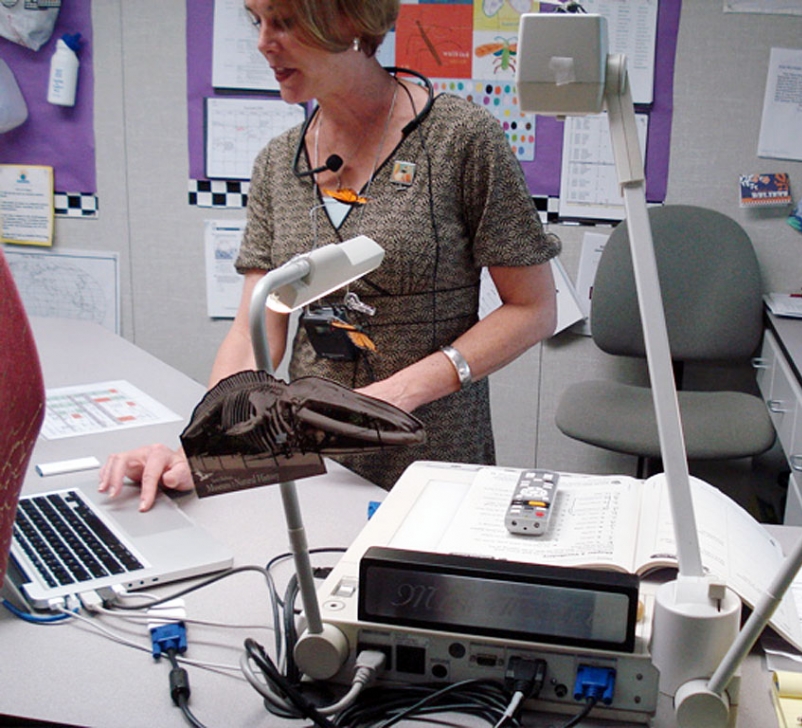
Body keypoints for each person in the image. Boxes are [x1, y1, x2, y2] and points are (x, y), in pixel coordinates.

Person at [99, 0, 560, 511]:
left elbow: (532, 309)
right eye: (258, 21)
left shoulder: (459, 139)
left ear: (347, 20)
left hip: (431, 450)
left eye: (285, 21)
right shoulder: (278, 162)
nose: (263, 41)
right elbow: (257, 327)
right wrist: (207, 445)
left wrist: (398, 394)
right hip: (314, 455)